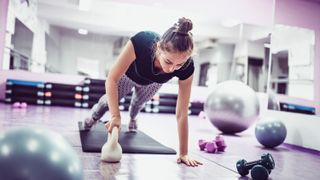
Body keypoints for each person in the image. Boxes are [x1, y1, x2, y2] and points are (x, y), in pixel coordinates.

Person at [84, 17, 202, 167]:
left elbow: (182, 112)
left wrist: (183, 152)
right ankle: (93, 117)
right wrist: (115, 116)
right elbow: (112, 79)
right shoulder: (142, 42)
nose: (172, 69)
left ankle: (133, 118)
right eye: (168, 61)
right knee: (107, 102)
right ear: (159, 47)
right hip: (127, 76)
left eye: (179, 64)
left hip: (152, 83)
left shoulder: (188, 67)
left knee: (138, 104)